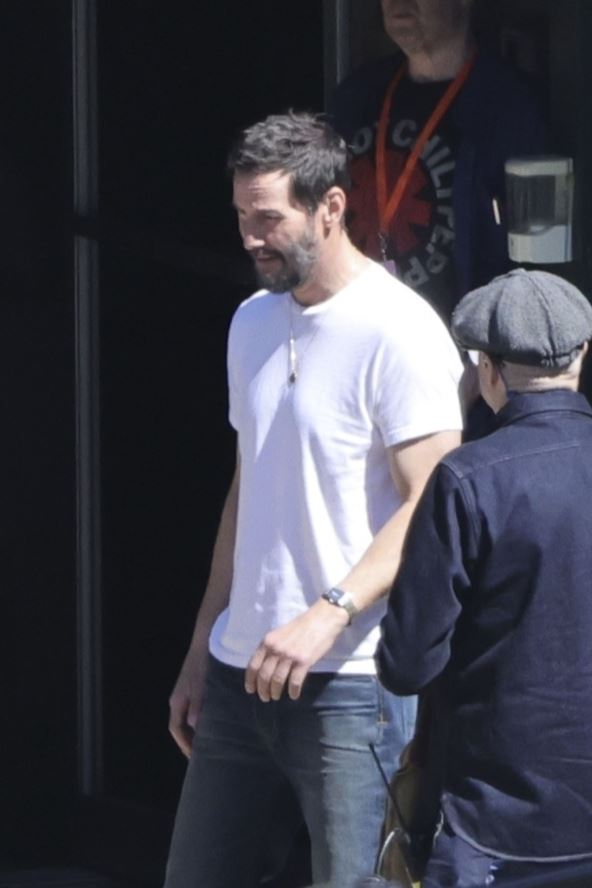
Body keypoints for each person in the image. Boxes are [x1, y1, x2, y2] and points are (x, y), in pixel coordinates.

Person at [163, 111, 463, 888]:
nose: (250, 238)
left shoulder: (399, 330)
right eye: (241, 216)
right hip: (237, 674)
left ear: (331, 206)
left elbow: (433, 503)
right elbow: (248, 488)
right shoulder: (251, 322)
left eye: (268, 218)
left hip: (350, 683)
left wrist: (329, 611)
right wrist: (201, 647)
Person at [377, 268, 592, 887]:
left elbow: (406, 664)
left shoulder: (467, 479)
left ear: (489, 371)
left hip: (492, 830)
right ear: (582, 354)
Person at [329, 0, 549, 323]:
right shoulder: (355, 98)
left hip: (463, 342)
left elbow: (535, 257)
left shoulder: (510, 108)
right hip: (356, 331)